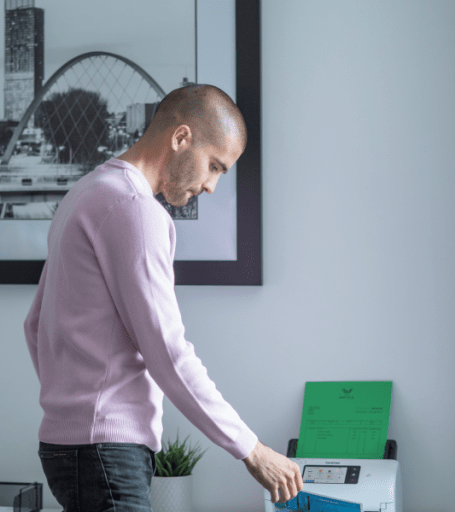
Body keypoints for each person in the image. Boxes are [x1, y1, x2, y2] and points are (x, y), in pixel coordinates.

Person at [24, 84, 303, 512]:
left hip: (66, 446)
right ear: (181, 138)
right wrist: (253, 450)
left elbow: (35, 322)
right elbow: (167, 352)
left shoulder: (84, 194)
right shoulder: (134, 209)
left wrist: (73, 406)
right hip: (106, 451)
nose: (211, 186)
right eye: (214, 166)